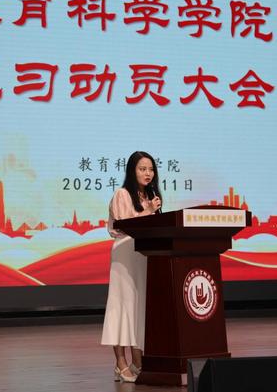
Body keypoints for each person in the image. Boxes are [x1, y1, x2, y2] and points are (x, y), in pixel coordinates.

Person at [100, 151, 162, 383]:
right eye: (142, 169)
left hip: (143, 255)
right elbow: (124, 224)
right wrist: (149, 211)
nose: (148, 173)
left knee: (138, 307)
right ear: (132, 171)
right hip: (125, 254)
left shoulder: (150, 196)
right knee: (122, 306)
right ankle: (120, 362)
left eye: (151, 169)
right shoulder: (122, 194)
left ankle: (137, 361)